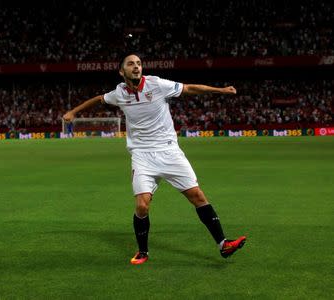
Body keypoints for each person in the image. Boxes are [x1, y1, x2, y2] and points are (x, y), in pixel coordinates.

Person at [63, 54, 246, 265]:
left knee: (197, 196)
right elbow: (99, 99)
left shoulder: (157, 84)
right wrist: (73, 112)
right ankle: (143, 252)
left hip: (169, 151)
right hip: (142, 155)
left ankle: (223, 244)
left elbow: (189, 88)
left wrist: (221, 91)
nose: (136, 67)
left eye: (139, 63)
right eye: (131, 64)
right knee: (142, 206)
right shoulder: (119, 93)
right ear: (121, 71)